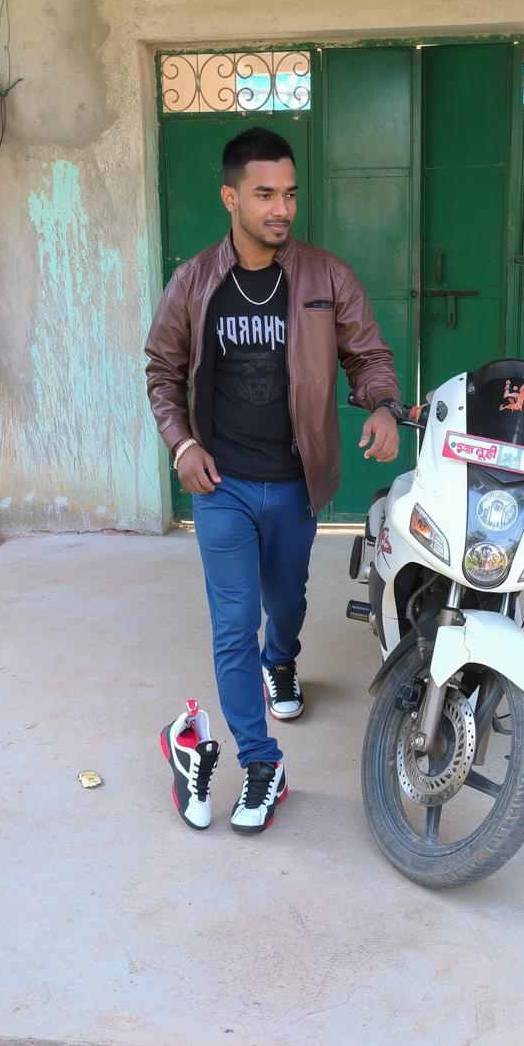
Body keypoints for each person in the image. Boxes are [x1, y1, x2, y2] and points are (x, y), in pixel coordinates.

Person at [145, 126, 401, 834]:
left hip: (294, 482)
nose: (280, 208)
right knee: (233, 627)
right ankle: (264, 764)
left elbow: (368, 354)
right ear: (231, 197)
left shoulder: (326, 276)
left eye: (288, 194)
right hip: (221, 484)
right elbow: (161, 370)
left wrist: (382, 404)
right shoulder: (196, 282)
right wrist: (181, 443)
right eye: (264, 194)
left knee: (285, 604)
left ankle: (281, 662)